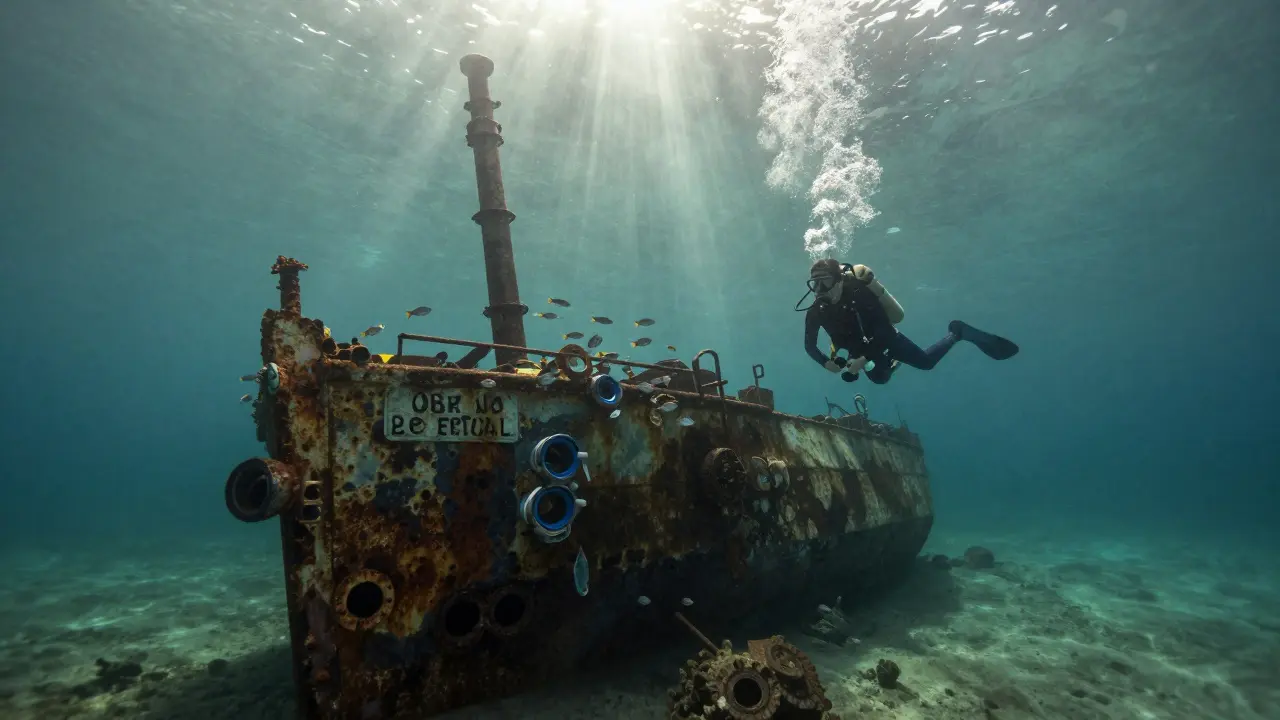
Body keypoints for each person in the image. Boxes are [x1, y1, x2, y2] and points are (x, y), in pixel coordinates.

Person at [799, 258, 1018, 383]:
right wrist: (825, 362)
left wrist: (863, 360)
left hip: (884, 338)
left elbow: (885, 330)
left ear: (839, 281)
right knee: (879, 379)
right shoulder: (817, 311)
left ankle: (957, 332)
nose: (819, 290)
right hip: (858, 348)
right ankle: (890, 363)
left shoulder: (858, 293)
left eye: (825, 282)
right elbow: (809, 345)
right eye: (814, 284)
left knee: (926, 363)